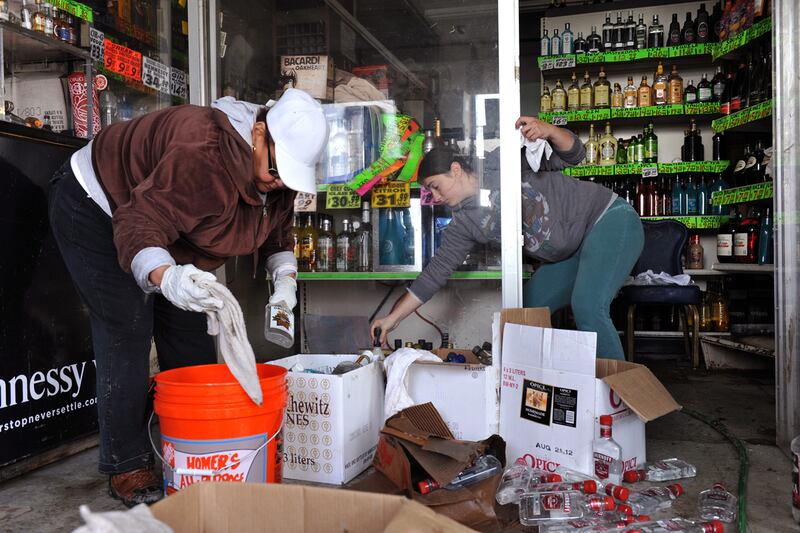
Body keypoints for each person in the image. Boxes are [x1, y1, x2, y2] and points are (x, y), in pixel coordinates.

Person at [48, 88, 327, 506]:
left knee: (190, 335)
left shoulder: (274, 167)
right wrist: (169, 279)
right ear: (257, 132)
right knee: (128, 327)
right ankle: (126, 463)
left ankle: (192, 443)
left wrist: (285, 282)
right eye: (276, 169)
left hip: (169, 231)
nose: (280, 180)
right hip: (98, 207)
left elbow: (277, 234)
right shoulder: (205, 156)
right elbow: (140, 221)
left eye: (289, 175)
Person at [371, 116, 644, 360]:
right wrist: (392, 318)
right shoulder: (464, 223)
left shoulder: (500, 163)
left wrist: (549, 130)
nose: (437, 197)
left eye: (435, 186)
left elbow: (575, 154)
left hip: (608, 219)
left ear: (455, 170)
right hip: (571, 252)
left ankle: (618, 401)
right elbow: (435, 273)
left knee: (588, 307)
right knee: (525, 312)